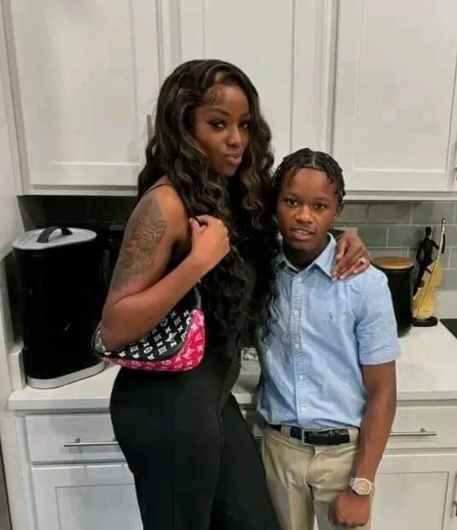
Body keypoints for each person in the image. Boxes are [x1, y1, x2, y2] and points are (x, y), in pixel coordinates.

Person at [99, 60, 369, 530]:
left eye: (244, 125)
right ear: (184, 127)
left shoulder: (229, 191)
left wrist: (342, 239)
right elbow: (114, 326)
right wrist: (197, 263)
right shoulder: (166, 203)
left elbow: (294, 223)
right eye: (218, 124)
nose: (236, 139)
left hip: (211, 399)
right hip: (164, 407)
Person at [258, 148, 401, 530]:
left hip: (343, 458)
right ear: (275, 204)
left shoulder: (365, 285)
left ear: (337, 210)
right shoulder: (260, 273)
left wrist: (361, 485)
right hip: (279, 451)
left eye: (319, 206)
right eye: (292, 202)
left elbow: (383, 392)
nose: (304, 216)